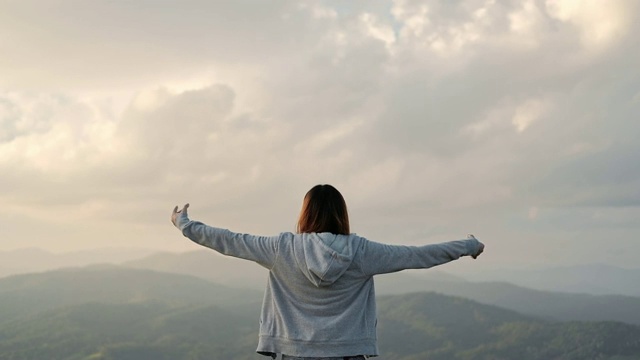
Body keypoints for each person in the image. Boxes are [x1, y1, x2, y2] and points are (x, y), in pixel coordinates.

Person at [171, 184, 484, 359]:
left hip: (294, 354)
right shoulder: (362, 251)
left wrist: (184, 224)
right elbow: (417, 256)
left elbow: (228, 241)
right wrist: (467, 246)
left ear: (305, 213)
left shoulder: (282, 248)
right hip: (348, 354)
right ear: (341, 214)